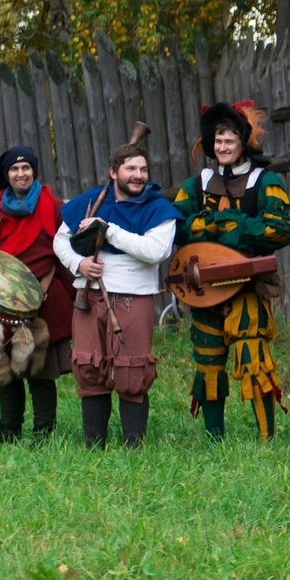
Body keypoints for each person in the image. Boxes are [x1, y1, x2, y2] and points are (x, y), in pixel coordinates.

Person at [173, 101, 290, 441]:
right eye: (217, 141)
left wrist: (236, 225)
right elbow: (176, 225)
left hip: (248, 288)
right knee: (208, 364)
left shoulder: (264, 181)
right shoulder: (197, 184)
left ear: (244, 141)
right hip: (204, 289)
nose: (223, 147)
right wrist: (208, 225)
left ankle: (266, 438)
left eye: (229, 140)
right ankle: (215, 440)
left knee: (253, 359)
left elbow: (282, 229)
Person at [55, 124, 181, 449]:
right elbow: (60, 240)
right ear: (114, 172)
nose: (139, 175)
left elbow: (156, 251)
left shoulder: (159, 209)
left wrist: (108, 230)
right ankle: (94, 447)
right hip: (88, 294)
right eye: (131, 169)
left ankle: (133, 449)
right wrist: (78, 264)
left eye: (143, 169)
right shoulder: (92, 201)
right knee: (88, 365)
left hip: (132, 298)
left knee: (131, 371)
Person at [0, 145, 75, 442]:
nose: (21, 174)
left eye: (26, 168)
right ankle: (8, 430)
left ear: (34, 172)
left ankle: (43, 433)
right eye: (14, 169)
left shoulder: (55, 205)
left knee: (41, 370)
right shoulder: (1, 209)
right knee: (7, 368)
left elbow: (65, 254)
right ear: (7, 176)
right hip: (7, 301)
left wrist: (76, 298)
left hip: (43, 300)